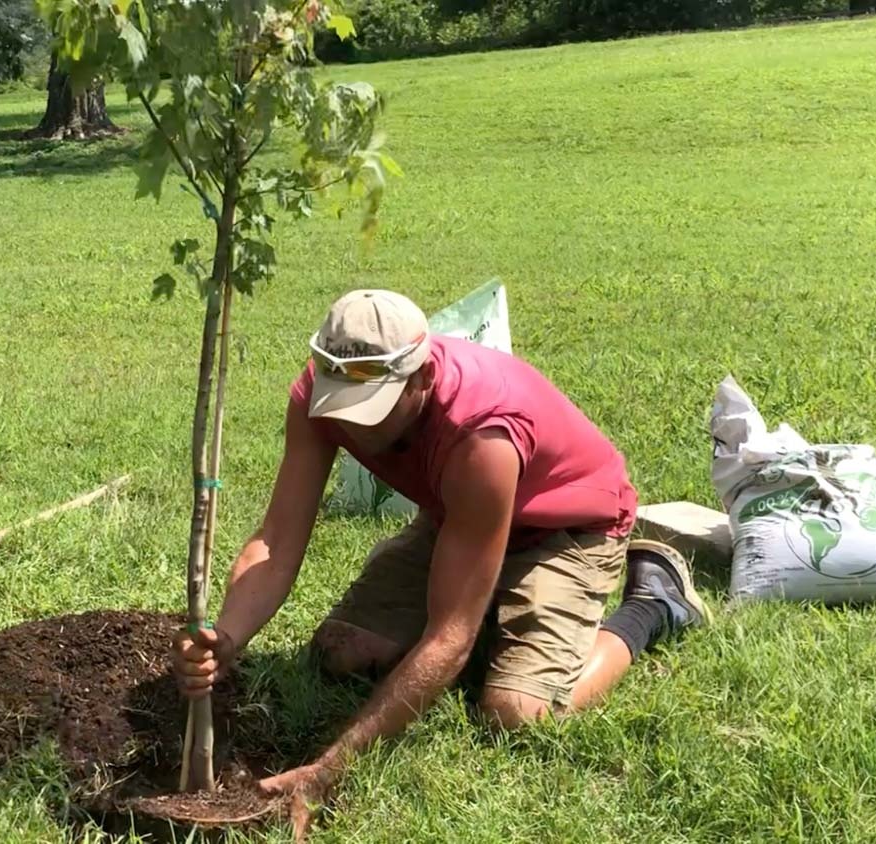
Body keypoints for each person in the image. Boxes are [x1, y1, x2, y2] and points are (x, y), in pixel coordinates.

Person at [171, 289, 710, 800]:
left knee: (515, 713)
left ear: (422, 377)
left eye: (370, 407)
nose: (350, 425)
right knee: (340, 654)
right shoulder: (322, 396)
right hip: (459, 517)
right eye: (342, 404)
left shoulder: (482, 433)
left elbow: (449, 634)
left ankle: (654, 605)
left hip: (565, 528)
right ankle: (493, 611)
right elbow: (277, 540)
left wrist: (330, 769)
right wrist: (227, 638)